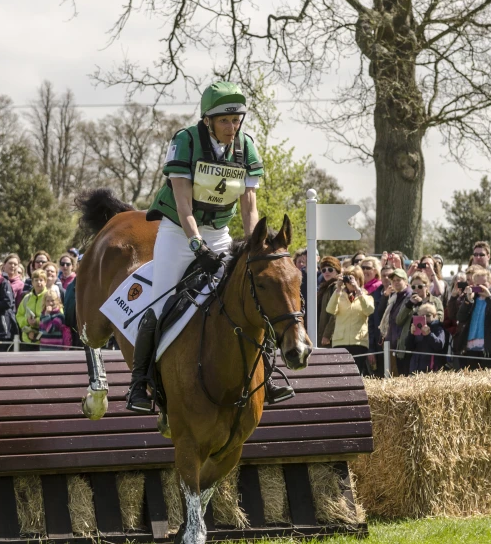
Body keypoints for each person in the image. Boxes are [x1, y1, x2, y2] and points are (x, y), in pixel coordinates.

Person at [129, 81, 294, 412]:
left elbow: (249, 206)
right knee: (161, 303)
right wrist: (196, 246)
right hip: (178, 231)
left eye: (236, 121)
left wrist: (255, 246)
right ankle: (139, 384)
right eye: (224, 121)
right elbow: (183, 202)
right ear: (207, 120)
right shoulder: (185, 142)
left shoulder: (246, 147)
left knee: (248, 295)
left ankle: (269, 377)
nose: (232, 128)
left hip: (219, 232)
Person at [326, 265, 375, 375]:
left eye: (355, 279)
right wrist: (338, 289)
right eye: (348, 279)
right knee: (341, 375)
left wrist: (358, 290)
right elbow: (330, 310)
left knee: (356, 374)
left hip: (358, 342)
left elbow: (369, 310)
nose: (351, 282)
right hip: (340, 341)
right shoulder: (339, 296)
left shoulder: (367, 297)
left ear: (360, 280)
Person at [456, 267, 491, 369]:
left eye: (484, 284)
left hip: (489, 348)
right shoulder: (472, 298)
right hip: (470, 348)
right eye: (478, 285)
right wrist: (467, 301)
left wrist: (489, 297)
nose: (481, 287)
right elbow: (460, 318)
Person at [379, 268, 412, 376]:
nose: (396, 282)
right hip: (392, 343)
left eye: (399, 279)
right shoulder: (393, 297)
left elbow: (400, 320)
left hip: (403, 344)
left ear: (406, 281)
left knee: (403, 376)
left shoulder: (410, 297)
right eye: (393, 280)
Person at [358, 256, 384, 377]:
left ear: (376, 270)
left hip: (376, 342)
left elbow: (373, 321)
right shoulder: (359, 290)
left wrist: (371, 349)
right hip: (361, 340)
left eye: (368, 267)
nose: (365, 270)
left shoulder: (379, 289)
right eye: (362, 267)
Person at [405, 302, 447, 374]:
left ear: (434, 316)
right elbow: (409, 347)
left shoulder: (439, 328)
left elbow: (439, 345)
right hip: (415, 368)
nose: (425, 318)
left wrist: (429, 334)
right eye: (422, 316)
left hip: (431, 369)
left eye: (428, 315)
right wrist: (411, 334)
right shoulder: (416, 327)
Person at [17, 268, 48, 350]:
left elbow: (57, 316)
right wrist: (27, 323)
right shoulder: (27, 298)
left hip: (45, 340)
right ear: (32, 282)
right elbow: (19, 316)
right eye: (36, 280)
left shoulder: (50, 297)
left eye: (41, 280)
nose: (39, 282)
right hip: (27, 340)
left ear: (45, 282)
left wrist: (37, 321)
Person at [317, 256, 340, 347]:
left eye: (330, 269)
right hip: (321, 334)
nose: (326, 272)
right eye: (323, 270)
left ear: (337, 271)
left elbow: (335, 313)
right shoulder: (324, 287)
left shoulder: (336, 287)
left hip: (330, 338)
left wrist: (327, 335)